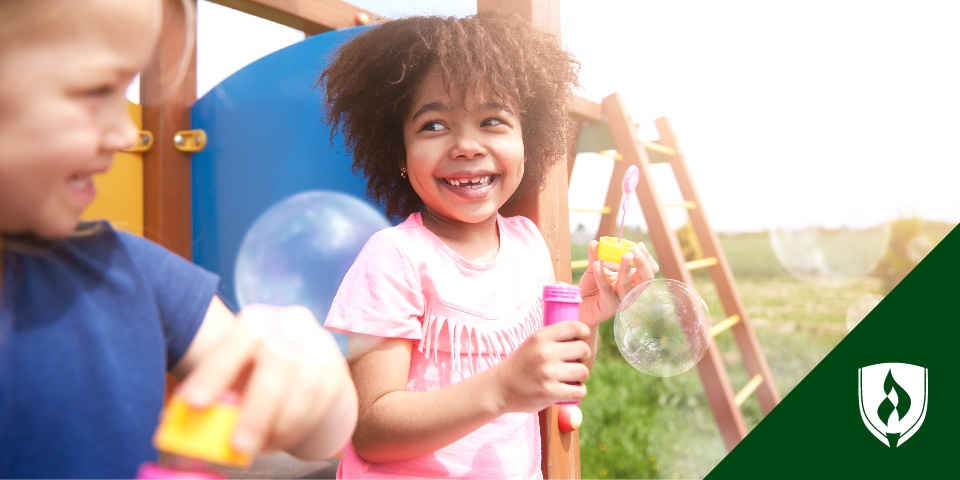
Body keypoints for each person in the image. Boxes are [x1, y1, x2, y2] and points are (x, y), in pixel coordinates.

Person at [0, 1, 357, 477]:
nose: (127, 132)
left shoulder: (126, 271)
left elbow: (323, 438)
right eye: (96, 89)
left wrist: (318, 377)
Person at [320, 12, 659, 479]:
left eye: (492, 120)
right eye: (434, 126)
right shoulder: (396, 257)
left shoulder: (527, 244)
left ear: (529, 138)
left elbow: (555, 377)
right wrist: (502, 387)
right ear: (398, 153)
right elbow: (372, 430)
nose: (466, 145)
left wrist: (587, 315)